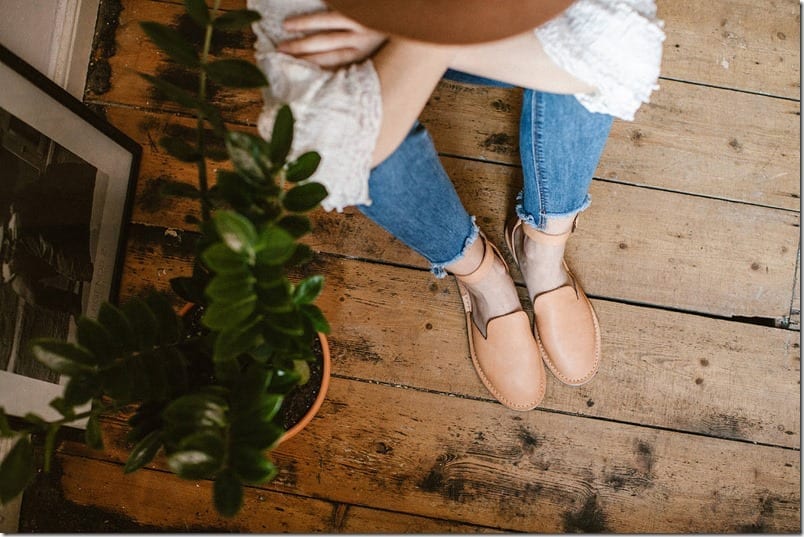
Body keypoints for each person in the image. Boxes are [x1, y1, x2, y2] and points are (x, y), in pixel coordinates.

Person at [248, 0, 665, 410]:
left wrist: (422, 30)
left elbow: (625, 46)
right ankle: (482, 273)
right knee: (325, 140)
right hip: (376, 15)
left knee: (609, 36)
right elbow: (323, 142)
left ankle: (542, 246)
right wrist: (431, 28)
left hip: (445, 20)